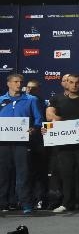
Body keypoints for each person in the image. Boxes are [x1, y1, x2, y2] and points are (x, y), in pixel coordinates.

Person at [46, 74, 79, 213]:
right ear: (66, 83)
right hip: (63, 144)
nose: (74, 85)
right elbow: (49, 115)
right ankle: (67, 203)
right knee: (66, 174)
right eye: (71, 82)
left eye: (77, 82)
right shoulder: (57, 99)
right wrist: (54, 123)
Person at [0, 74, 43, 214]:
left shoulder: (31, 100)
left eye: (21, 82)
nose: (19, 84)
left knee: (23, 174)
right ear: (8, 83)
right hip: (3, 143)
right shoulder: (1, 100)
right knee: (3, 173)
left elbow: (38, 119)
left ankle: (26, 203)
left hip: (22, 143)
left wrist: (34, 128)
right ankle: (3, 203)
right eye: (15, 82)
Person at [24, 79, 49, 209]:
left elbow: (47, 121)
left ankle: (40, 199)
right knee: (26, 172)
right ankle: (26, 199)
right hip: (23, 141)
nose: (29, 90)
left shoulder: (44, 103)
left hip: (40, 141)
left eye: (33, 88)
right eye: (28, 87)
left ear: (38, 89)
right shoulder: (22, 101)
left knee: (40, 172)